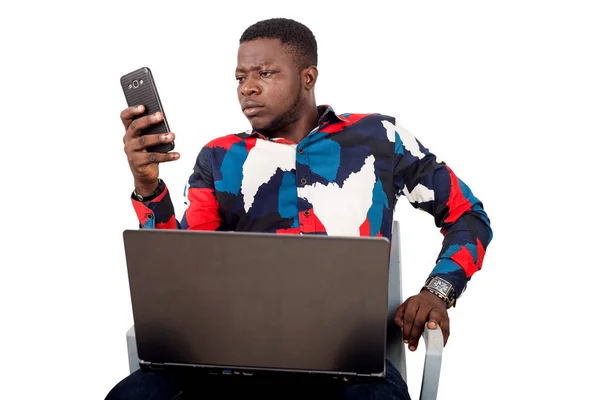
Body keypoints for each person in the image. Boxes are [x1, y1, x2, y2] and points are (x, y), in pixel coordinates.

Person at [108, 17, 492, 400]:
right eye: (240, 77)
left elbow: (467, 215)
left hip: (350, 372)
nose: (249, 88)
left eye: (266, 73)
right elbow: (182, 272)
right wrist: (148, 186)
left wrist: (436, 292)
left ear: (308, 77)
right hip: (230, 366)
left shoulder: (380, 138)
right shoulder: (219, 157)